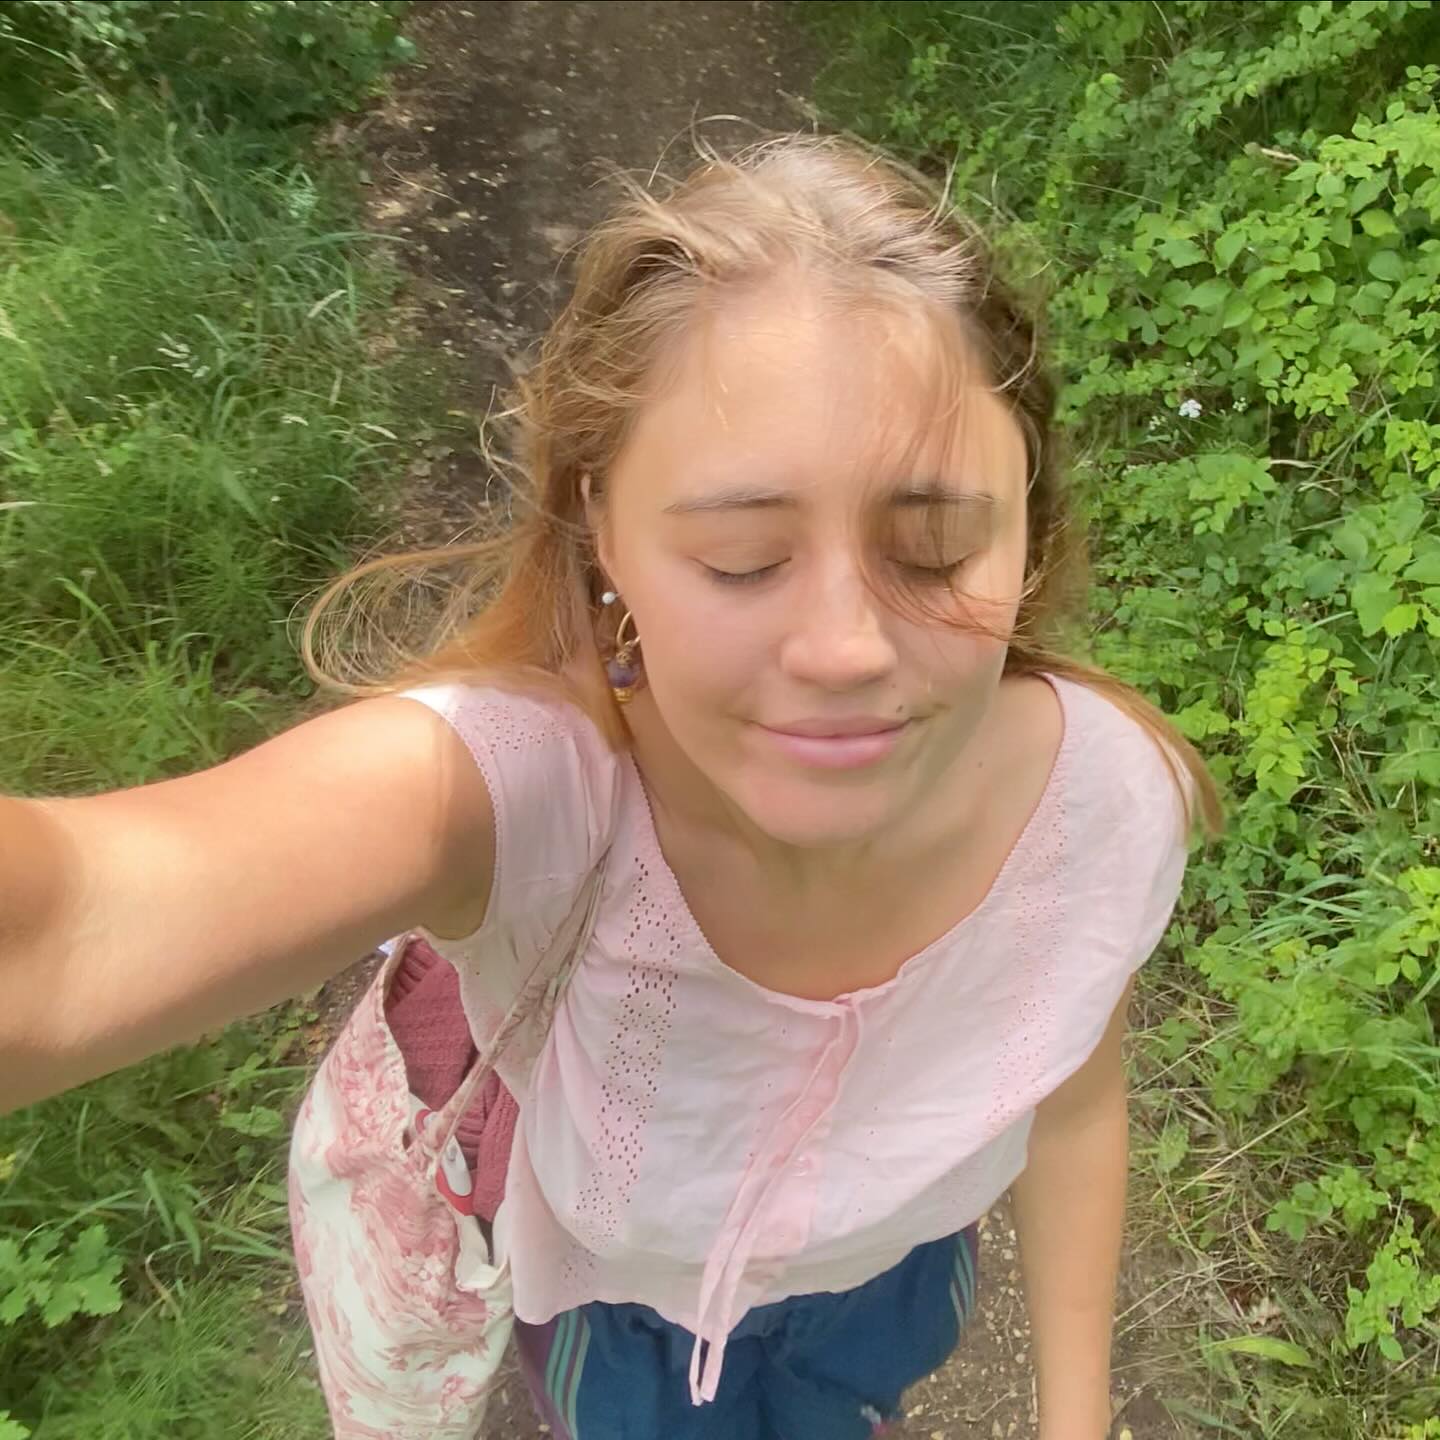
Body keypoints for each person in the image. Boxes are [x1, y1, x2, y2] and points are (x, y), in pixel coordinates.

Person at [2, 134, 1222, 1440]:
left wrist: (1076, 1413)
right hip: (623, 1326)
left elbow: (1070, 1084)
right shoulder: (527, 800)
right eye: (743, 559)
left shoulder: (1105, 800)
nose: (848, 649)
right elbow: (69, 931)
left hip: (898, 1285)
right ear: (603, 530)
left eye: (933, 549)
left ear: (1030, 520)